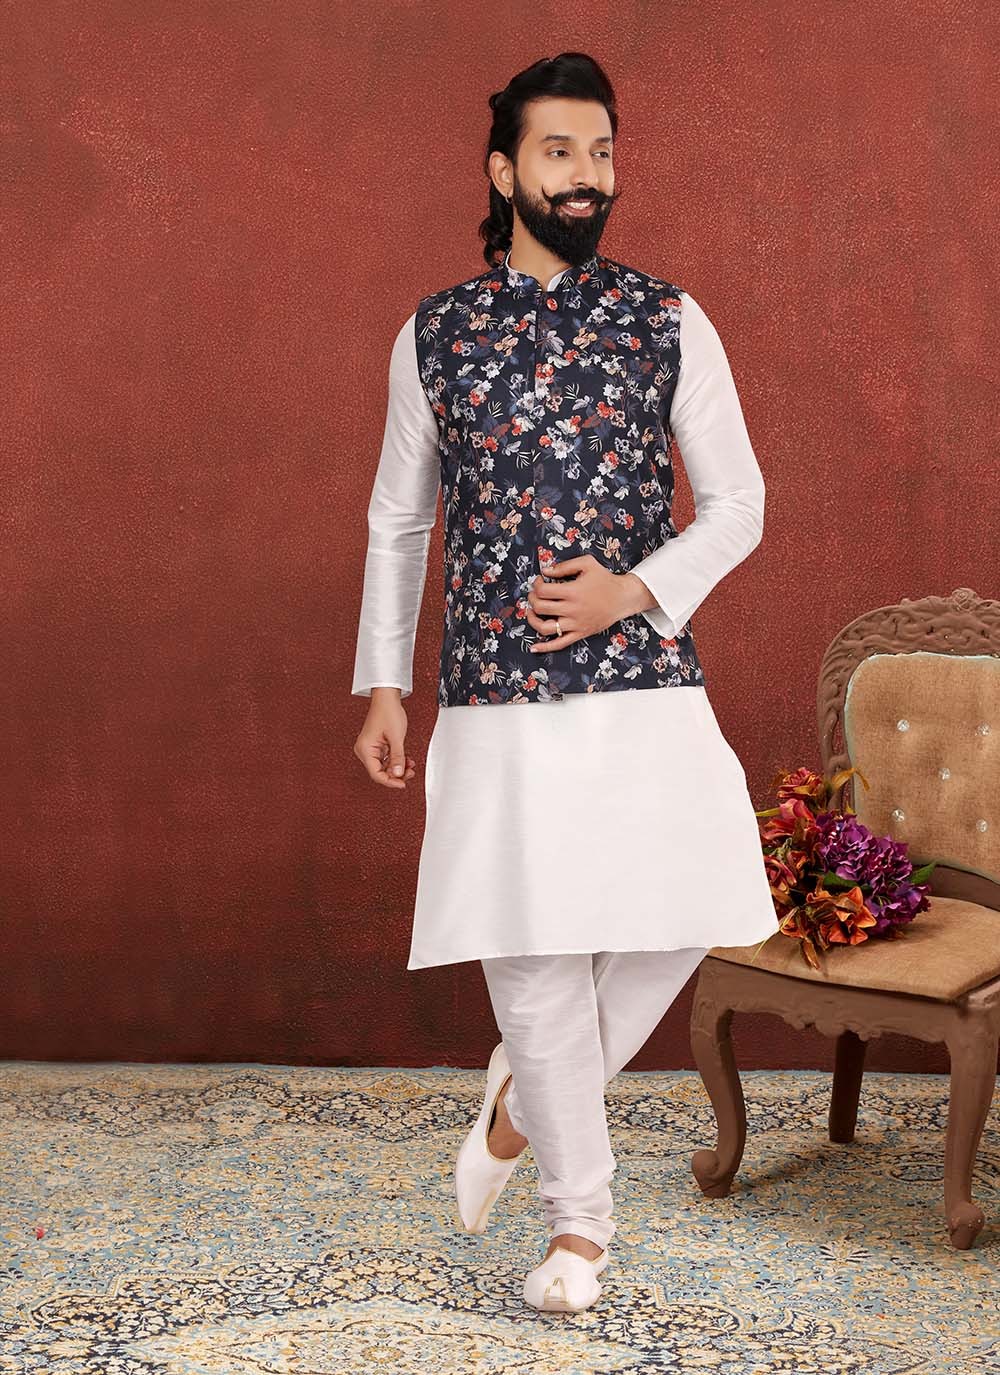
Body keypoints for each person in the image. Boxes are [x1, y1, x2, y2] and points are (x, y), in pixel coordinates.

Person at [351, 52, 779, 1313]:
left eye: (599, 152)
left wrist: (630, 591)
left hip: (644, 668)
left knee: (689, 904)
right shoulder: (436, 331)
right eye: (558, 152)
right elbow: (399, 521)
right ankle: (579, 1227)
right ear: (503, 172)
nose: (586, 175)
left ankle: (521, 1100)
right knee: (531, 945)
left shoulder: (668, 317)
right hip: (494, 686)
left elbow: (740, 504)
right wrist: (383, 684)